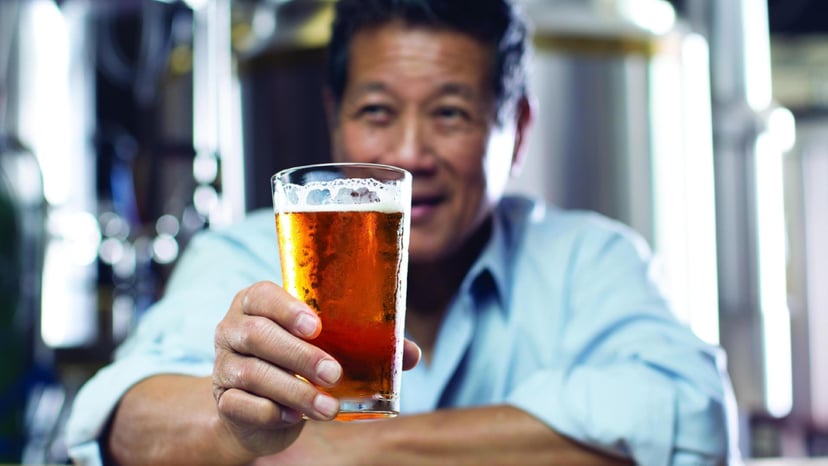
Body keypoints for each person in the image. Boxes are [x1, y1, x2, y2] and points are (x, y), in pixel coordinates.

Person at [67, 0, 740, 464]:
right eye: (378, 111)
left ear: (518, 130)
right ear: (335, 119)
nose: (412, 154)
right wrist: (232, 424)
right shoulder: (244, 257)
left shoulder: (590, 259)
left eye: (450, 114)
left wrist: (327, 451)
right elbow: (123, 424)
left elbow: (696, 423)